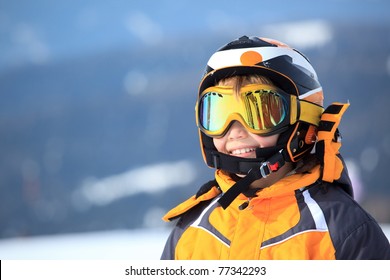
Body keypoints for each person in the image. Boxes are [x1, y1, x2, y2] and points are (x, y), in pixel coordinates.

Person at [160, 36, 390, 260]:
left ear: (303, 122)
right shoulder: (192, 231)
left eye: (260, 112)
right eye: (219, 113)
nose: (236, 131)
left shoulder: (344, 230)